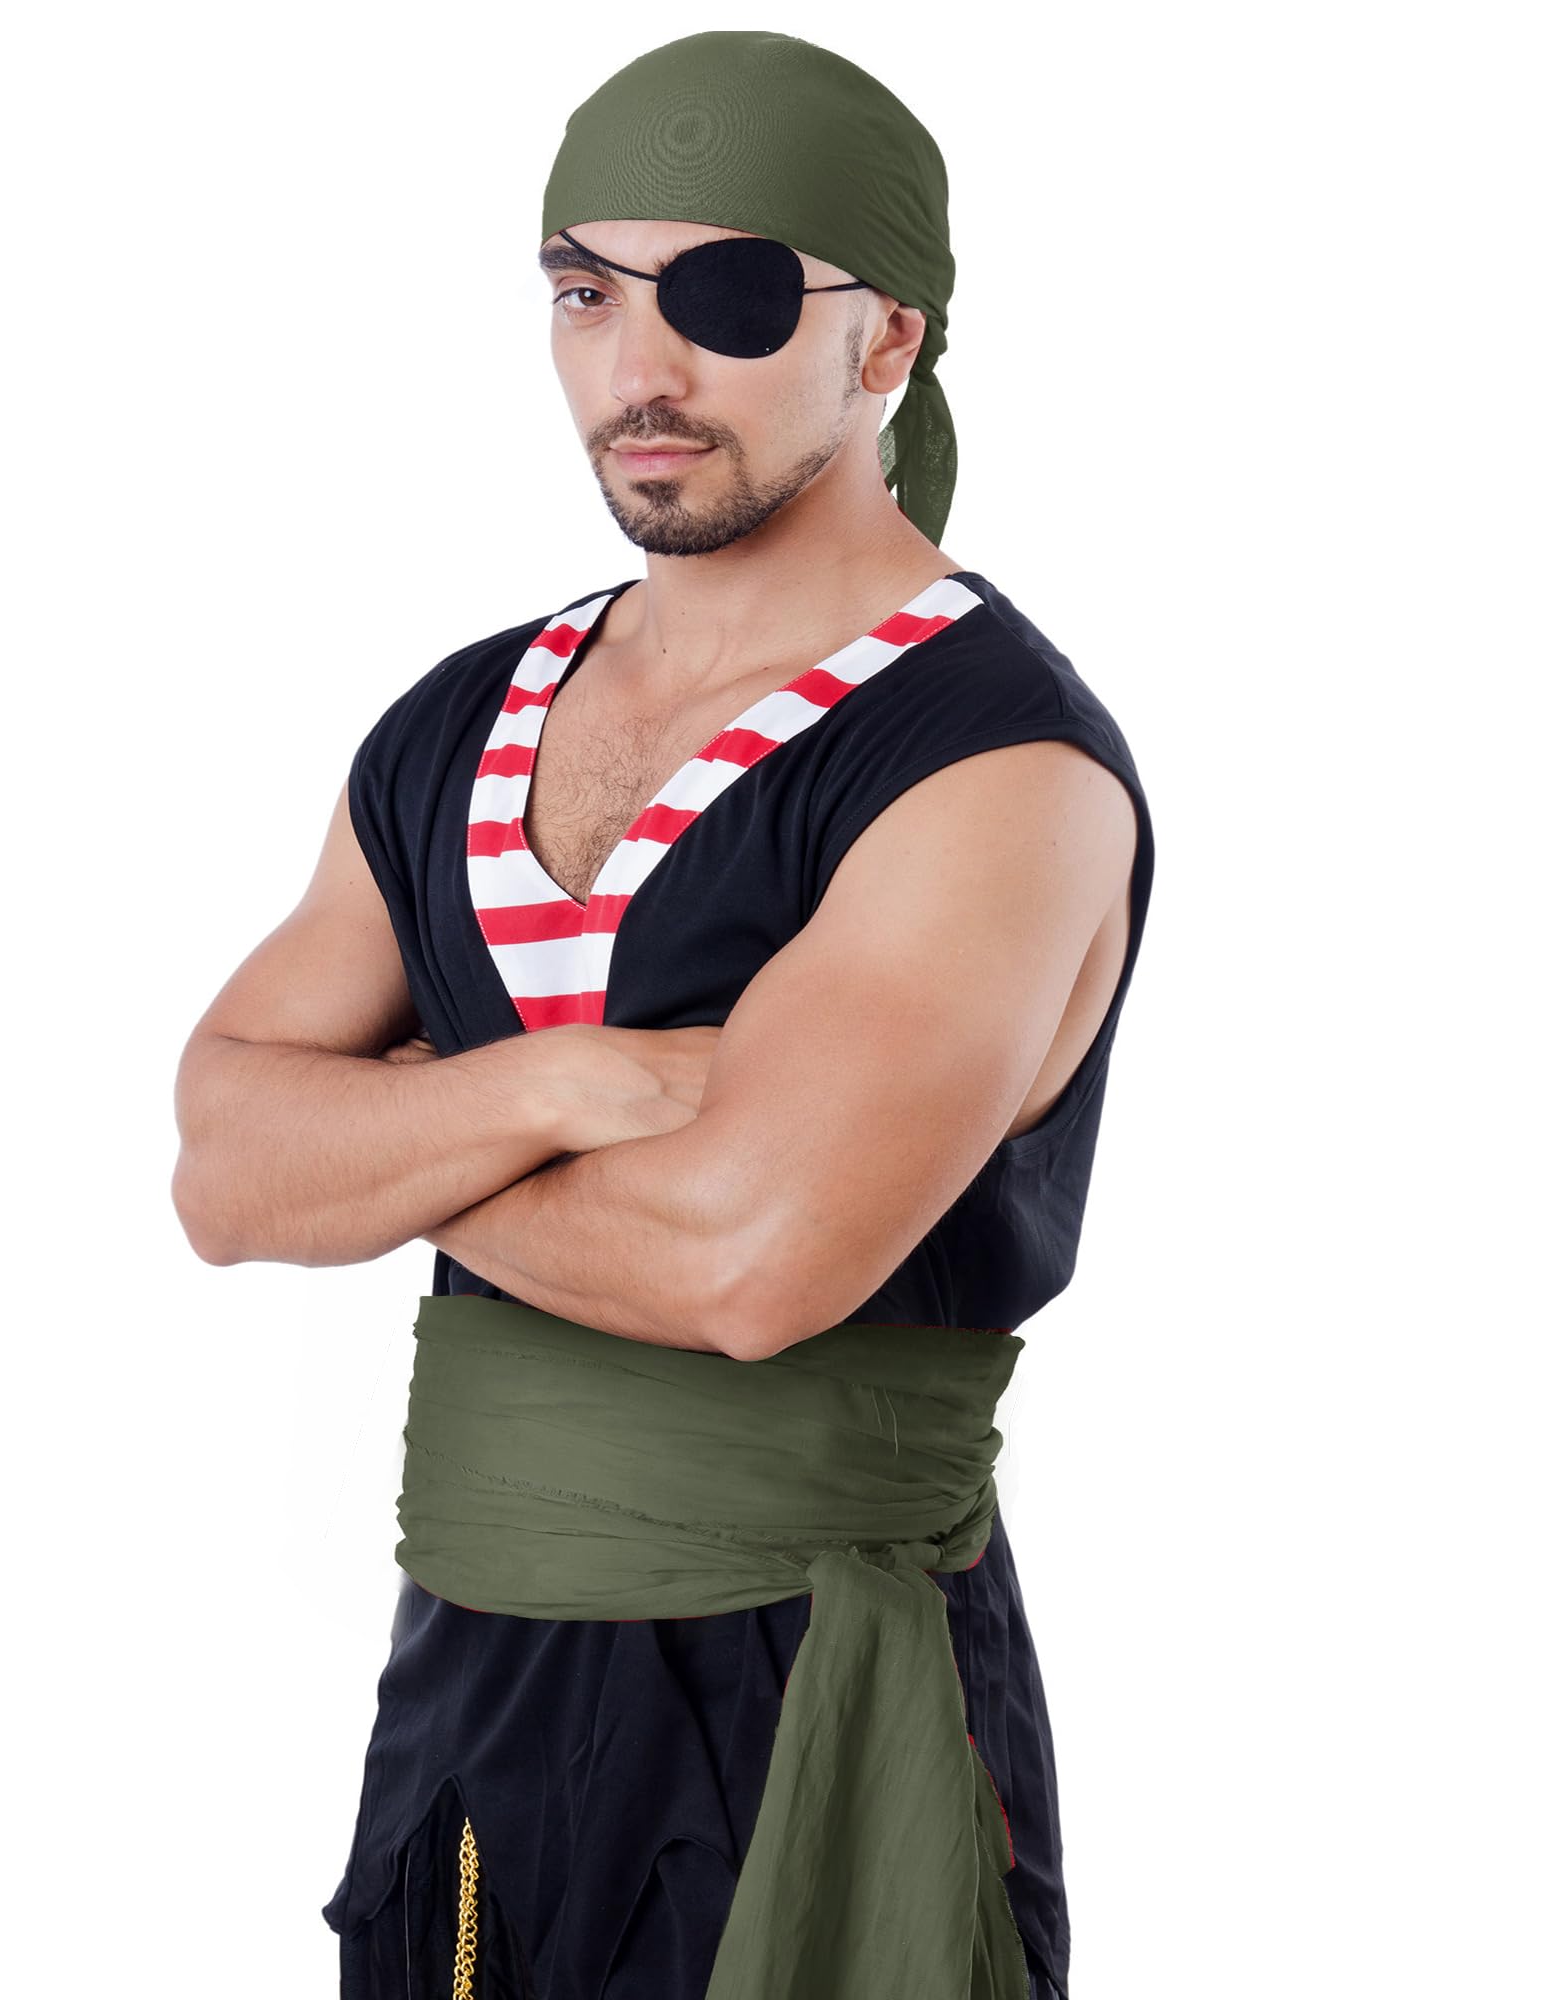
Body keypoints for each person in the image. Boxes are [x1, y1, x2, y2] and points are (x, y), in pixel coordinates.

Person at [170, 30, 1154, 2000]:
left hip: (815, 1695)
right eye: (584, 294)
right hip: (470, 1688)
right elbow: (220, 1171)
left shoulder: (992, 765)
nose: (641, 365)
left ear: (886, 340)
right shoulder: (458, 720)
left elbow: (747, 1266)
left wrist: (384, 1138)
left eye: (727, 296)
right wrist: (575, 1082)